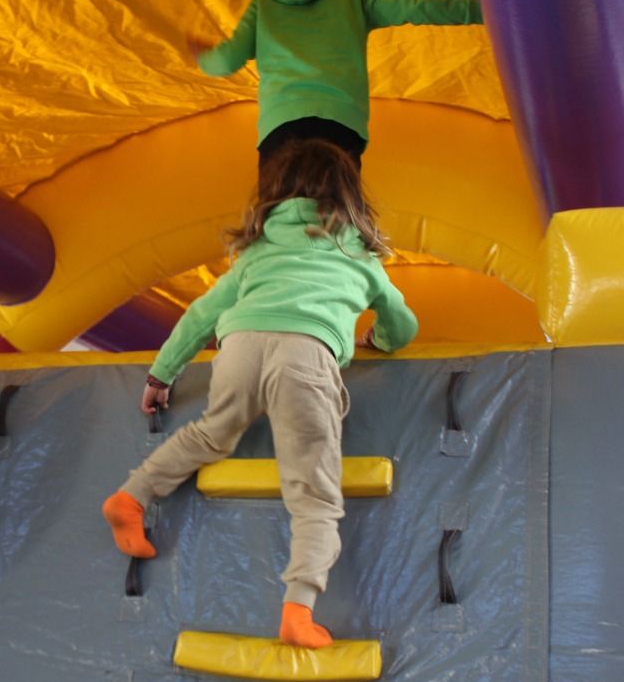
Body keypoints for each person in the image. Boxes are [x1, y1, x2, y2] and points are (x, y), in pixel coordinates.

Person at [101, 139, 417, 648]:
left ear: (276, 196)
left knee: (209, 434)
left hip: (239, 346)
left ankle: (130, 496)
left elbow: (200, 315)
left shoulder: (256, 251)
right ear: (349, 197)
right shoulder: (356, 252)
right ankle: (297, 610)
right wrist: (379, 339)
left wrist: (162, 375)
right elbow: (403, 325)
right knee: (314, 494)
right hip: (306, 356)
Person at [189, 0, 483, 168]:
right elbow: (417, 6)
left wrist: (203, 54)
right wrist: (487, 11)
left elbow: (226, 61)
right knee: (336, 215)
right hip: (340, 123)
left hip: (281, 125)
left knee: (279, 214)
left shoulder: (264, 4)